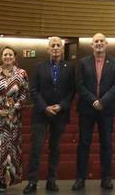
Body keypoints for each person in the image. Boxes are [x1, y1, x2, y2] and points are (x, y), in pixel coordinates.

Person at [24, 37, 75, 193]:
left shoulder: (69, 67)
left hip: (59, 114)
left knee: (55, 148)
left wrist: (61, 106)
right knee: (36, 148)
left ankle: (51, 180)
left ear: (62, 48)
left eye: (58, 45)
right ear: (48, 49)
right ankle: (32, 181)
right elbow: (33, 90)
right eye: (52, 45)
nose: (55, 48)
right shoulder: (39, 66)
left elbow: (72, 91)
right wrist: (45, 107)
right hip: (41, 113)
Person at [73, 33, 115, 191]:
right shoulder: (82, 63)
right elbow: (79, 85)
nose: (99, 43)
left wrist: (103, 101)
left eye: (102, 41)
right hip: (87, 108)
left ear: (106, 44)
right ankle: (80, 178)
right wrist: (93, 100)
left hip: (106, 109)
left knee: (106, 144)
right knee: (84, 144)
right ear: (91, 45)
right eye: (96, 41)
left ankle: (106, 178)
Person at [0, 46, 29, 192]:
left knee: (10, 148)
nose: (8, 57)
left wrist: (13, 108)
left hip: (13, 118)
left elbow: (24, 94)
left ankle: (4, 181)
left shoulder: (21, 73)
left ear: (14, 57)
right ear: (1, 57)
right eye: (5, 54)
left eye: (10, 55)